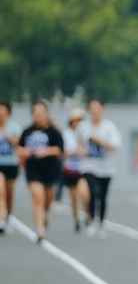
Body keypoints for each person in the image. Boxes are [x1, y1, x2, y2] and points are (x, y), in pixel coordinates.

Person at [17, 100, 64, 242]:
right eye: (36, 113)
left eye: (41, 113)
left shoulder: (54, 132)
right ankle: (39, 229)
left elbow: (60, 150)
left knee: (48, 199)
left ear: (46, 114)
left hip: (50, 170)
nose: (38, 116)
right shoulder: (27, 131)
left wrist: (45, 151)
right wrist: (26, 152)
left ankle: (45, 214)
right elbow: (19, 149)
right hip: (33, 170)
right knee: (38, 197)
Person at [81, 99, 121, 238]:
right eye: (92, 108)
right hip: (89, 166)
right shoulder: (84, 127)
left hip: (106, 167)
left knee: (103, 196)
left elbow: (115, 146)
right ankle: (92, 220)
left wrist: (99, 141)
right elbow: (78, 144)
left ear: (102, 109)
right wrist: (81, 151)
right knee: (93, 192)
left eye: (97, 108)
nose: (94, 111)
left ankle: (102, 223)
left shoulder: (109, 127)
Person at [61, 109, 89, 233]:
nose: (77, 123)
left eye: (80, 120)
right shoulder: (66, 134)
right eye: (75, 120)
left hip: (83, 168)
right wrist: (74, 151)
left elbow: (87, 150)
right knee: (73, 197)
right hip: (70, 169)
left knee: (84, 194)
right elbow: (64, 151)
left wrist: (81, 151)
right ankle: (76, 219)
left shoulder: (86, 132)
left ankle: (87, 214)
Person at [0, 101, 22, 235]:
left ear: (8, 112)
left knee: (9, 194)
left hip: (11, 163)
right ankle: (1, 218)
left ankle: (8, 216)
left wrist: (6, 134)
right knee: (0, 190)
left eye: (2, 110)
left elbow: (18, 143)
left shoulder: (14, 127)